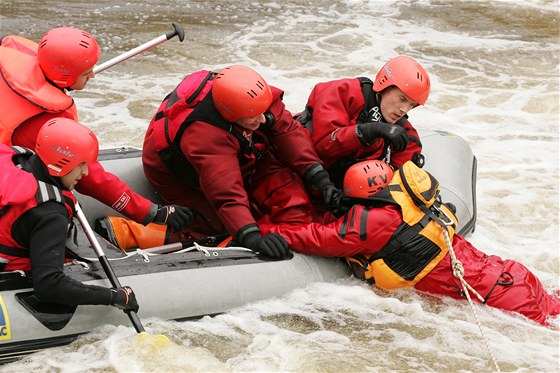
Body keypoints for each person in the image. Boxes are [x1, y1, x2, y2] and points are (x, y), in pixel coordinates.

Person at [259, 159, 560, 326]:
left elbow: (313, 238)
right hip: (512, 277)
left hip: (499, 296)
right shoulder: (410, 200)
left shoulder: (369, 225)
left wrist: (261, 229)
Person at [0, 27, 192, 232]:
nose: (93, 74)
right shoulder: (44, 123)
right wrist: (151, 212)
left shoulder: (15, 51)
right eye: (86, 72)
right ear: (64, 77)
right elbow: (92, 179)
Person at [138, 65, 341, 258]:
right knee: (218, 225)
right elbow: (226, 194)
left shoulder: (251, 96)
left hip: (229, 143)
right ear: (230, 114)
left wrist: (321, 180)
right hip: (172, 172)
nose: (262, 119)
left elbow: (287, 131)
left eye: (263, 111)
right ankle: (137, 232)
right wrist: (250, 236)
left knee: (281, 174)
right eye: (254, 116)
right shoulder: (206, 136)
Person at [0, 118, 139, 312]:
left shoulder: (17, 159)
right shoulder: (50, 213)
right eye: (81, 164)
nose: (85, 172)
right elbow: (49, 286)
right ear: (60, 162)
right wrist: (113, 296)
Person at [297, 55, 429, 187]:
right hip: (298, 173)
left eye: (411, 105)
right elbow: (323, 146)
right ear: (385, 86)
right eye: (402, 99)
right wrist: (370, 131)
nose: (404, 110)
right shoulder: (345, 92)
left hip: (338, 193)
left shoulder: (406, 136)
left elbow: (398, 185)